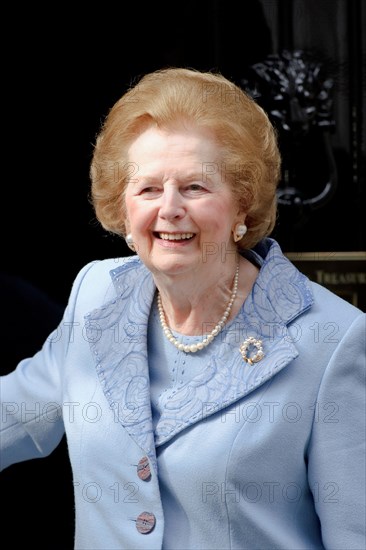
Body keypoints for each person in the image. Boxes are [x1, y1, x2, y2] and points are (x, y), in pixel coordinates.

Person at [1, 67, 365, 550]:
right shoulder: (97, 294)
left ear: (242, 204)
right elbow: (17, 416)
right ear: (123, 208)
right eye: (148, 188)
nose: (170, 208)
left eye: (195, 186)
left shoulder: (331, 341)